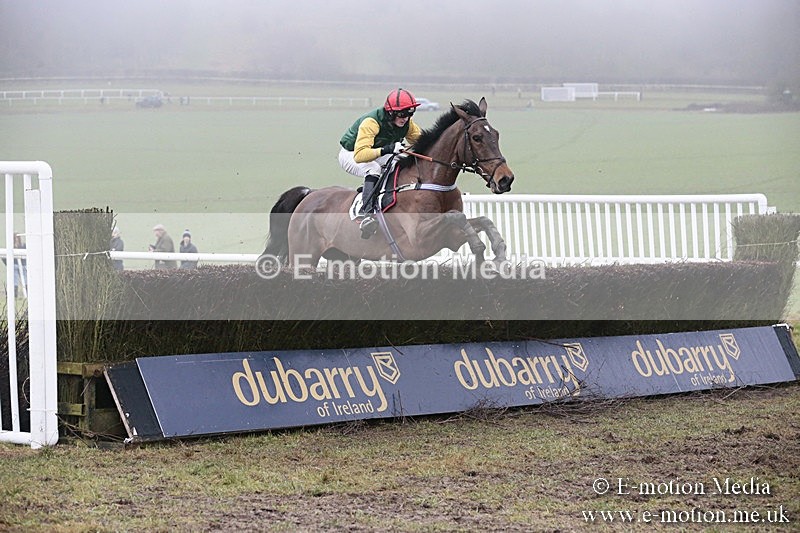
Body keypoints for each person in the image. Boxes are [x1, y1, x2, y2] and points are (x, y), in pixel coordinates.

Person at [339, 88, 422, 238]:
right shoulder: (371, 123)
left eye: (410, 113)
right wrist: (388, 149)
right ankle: (366, 213)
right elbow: (360, 155)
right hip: (351, 153)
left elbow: (423, 143)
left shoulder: (407, 124)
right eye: (402, 114)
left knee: (399, 162)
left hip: (374, 152)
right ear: (391, 113)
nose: (405, 118)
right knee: (373, 168)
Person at [2, 234, 27, 298]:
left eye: (17, 238)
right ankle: (14, 295)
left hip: (23, 266)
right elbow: (4, 257)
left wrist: (25, 263)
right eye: (15, 238)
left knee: (26, 279)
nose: (16, 240)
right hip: (15, 266)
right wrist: (9, 264)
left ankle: (27, 293)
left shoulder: (23, 246)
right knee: (14, 280)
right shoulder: (11, 246)